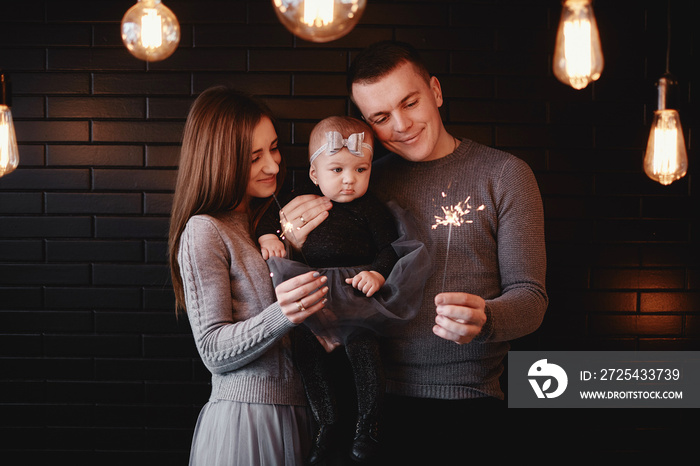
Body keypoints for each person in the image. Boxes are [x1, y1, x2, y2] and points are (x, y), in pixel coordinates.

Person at [280, 41, 548, 462]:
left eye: (410, 102)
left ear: (435, 92)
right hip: (364, 407)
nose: (402, 124)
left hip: (466, 406)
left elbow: (532, 299)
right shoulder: (360, 181)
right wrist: (293, 240)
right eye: (381, 118)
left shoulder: (505, 175)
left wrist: (488, 317)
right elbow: (312, 269)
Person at [167, 86, 330, 466]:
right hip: (247, 422)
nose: (273, 166)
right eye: (254, 157)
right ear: (219, 160)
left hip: (302, 412)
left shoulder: (268, 223)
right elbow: (213, 350)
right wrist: (285, 313)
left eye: (273, 148)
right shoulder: (205, 229)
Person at [256, 116, 430, 464]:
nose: (350, 179)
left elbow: (389, 249)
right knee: (305, 351)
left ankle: (370, 423)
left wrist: (378, 275)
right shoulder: (299, 201)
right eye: (337, 170)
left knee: (364, 349)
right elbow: (268, 218)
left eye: (360, 169)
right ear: (314, 175)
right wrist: (267, 237)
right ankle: (327, 422)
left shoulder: (370, 209)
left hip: (354, 297)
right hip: (314, 295)